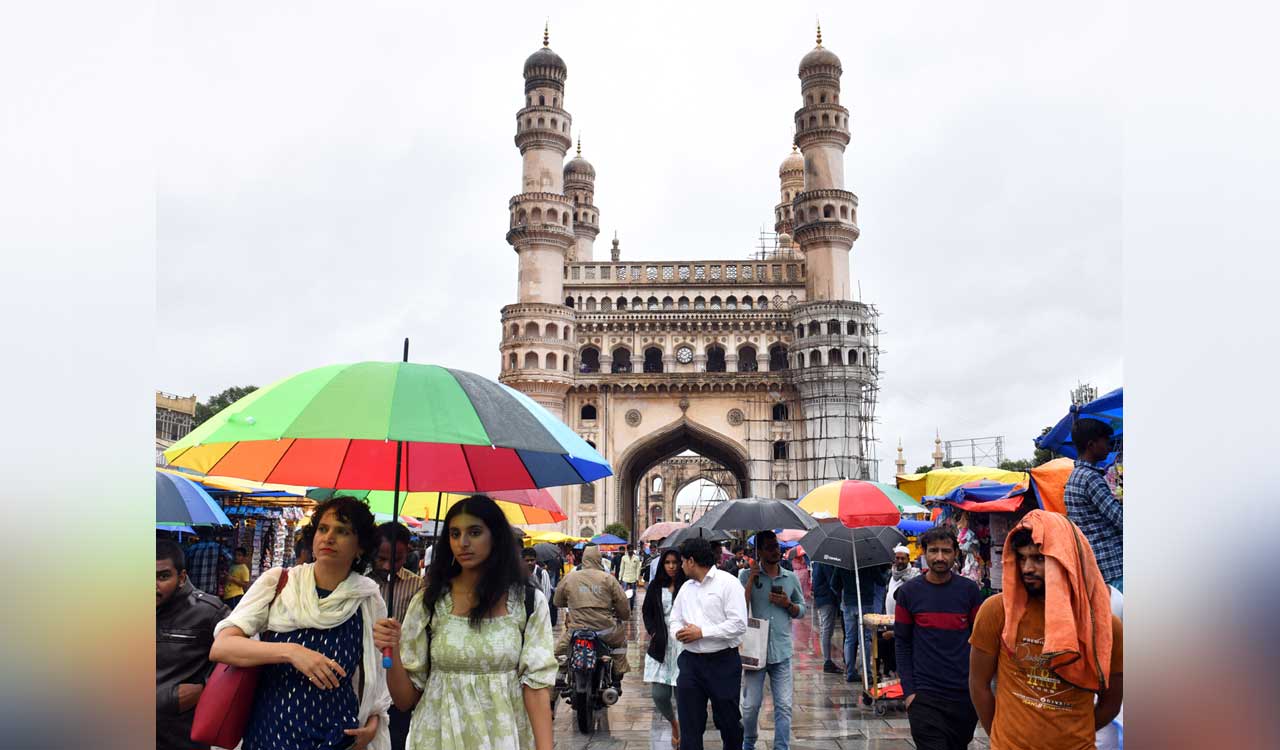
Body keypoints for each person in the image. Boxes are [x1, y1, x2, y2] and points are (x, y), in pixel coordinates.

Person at [375, 495, 556, 750]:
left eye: (474, 532)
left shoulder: (527, 602)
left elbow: (536, 688)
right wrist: (392, 648)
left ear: (496, 536)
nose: (463, 543)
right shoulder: (429, 602)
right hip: (437, 738)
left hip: (503, 738)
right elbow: (405, 700)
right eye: (455, 534)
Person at [210, 495, 391, 750]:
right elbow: (222, 647)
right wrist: (292, 652)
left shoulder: (367, 599)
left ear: (360, 547)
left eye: (342, 531)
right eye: (323, 529)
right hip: (271, 735)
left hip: (336, 738)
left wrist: (372, 726)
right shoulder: (279, 583)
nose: (329, 538)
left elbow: (376, 677)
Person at [969, 511, 1123, 750]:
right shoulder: (997, 611)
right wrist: (1002, 739)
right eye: (1022, 558)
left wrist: (1073, 735)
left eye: (1039, 559)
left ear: (1066, 561)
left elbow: (1111, 702)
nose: (1027, 568)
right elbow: (979, 685)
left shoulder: (1103, 625)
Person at [893, 526, 982, 750]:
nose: (940, 557)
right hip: (925, 697)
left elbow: (981, 642)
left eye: (946, 551)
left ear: (956, 554)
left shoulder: (969, 591)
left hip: (963, 698)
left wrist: (979, 690)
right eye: (933, 551)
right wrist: (909, 692)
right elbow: (902, 643)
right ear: (924, 553)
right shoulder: (908, 593)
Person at [669, 537, 749, 750]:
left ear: (691, 561)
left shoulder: (728, 583)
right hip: (690, 663)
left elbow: (739, 624)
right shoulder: (686, 588)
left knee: (729, 722)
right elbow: (675, 618)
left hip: (722, 662)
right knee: (690, 725)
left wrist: (702, 633)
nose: (680, 566)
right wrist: (679, 632)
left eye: (682, 561)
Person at [156, 539, 229, 750]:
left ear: (181, 578)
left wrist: (206, 688)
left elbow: (239, 658)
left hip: (181, 734)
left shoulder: (208, 612)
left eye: (163, 576)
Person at [737, 531, 805, 750]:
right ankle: (749, 741)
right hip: (755, 651)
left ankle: (781, 747)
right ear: (759, 552)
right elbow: (738, 609)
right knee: (750, 706)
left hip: (781, 651)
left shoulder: (790, 577)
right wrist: (751, 579)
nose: (775, 551)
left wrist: (788, 604)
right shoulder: (745, 576)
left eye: (776, 546)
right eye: (769, 547)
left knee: (784, 706)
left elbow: (802, 609)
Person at [369, 522, 427, 750]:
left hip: (397, 673)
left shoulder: (417, 586)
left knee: (395, 736)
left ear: (407, 554)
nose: (387, 566)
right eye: (381, 558)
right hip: (365, 670)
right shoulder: (361, 581)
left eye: (396, 559)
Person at [553, 544, 632, 688]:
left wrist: (573, 602)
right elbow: (623, 605)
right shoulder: (608, 579)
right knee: (620, 644)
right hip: (605, 631)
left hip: (575, 630)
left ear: (583, 559)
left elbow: (557, 601)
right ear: (599, 559)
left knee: (558, 652)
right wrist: (623, 615)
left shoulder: (570, 577)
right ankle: (617, 676)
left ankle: (561, 675)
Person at [1063, 418, 1124, 592]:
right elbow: (1120, 519)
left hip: (1096, 564)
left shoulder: (1075, 476)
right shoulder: (1091, 478)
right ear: (1091, 445)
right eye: (1105, 441)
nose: (1108, 447)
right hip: (1112, 565)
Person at [642, 549, 689, 750]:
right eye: (667, 562)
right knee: (659, 694)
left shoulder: (687, 586)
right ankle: (674, 723)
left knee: (682, 694)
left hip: (683, 644)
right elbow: (647, 611)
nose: (671, 566)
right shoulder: (655, 586)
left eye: (675, 562)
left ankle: (685, 732)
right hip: (661, 644)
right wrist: (653, 631)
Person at [832, 560, 891, 682]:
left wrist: (846, 588)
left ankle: (850, 672)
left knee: (850, 638)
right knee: (864, 639)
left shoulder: (843, 563)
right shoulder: (868, 562)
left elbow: (834, 584)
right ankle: (867, 673)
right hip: (866, 603)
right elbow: (881, 581)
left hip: (849, 603)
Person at [810, 560, 841, 674]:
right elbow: (832, 581)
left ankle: (827, 660)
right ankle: (827, 661)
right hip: (827, 598)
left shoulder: (817, 562)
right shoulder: (825, 562)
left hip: (821, 598)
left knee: (825, 629)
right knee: (827, 630)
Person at [183, 533, 231, 598]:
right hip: (210, 588)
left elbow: (185, 565)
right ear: (212, 535)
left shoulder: (192, 548)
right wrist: (222, 568)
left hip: (193, 588)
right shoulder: (217, 547)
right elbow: (230, 558)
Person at [885, 544, 920, 611]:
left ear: (908, 559)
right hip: (889, 614)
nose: (900, 561)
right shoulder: (890, 574)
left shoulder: (914, 574)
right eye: (897, 558)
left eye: (903, 558)